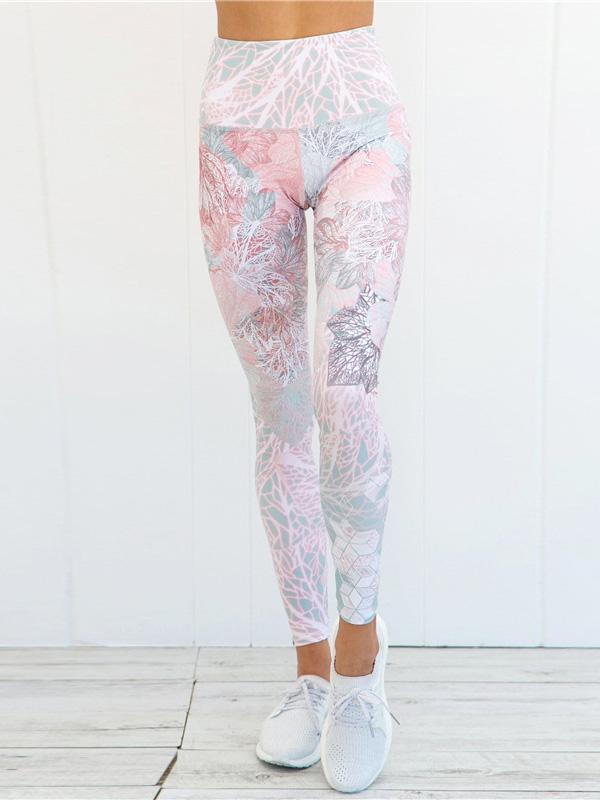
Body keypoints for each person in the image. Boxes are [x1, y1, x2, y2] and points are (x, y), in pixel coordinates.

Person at [198, 0, 410, 791]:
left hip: (356, 111)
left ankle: (360, 655)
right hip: (239, 123)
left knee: (344, 391)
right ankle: (312, 667)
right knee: (280, 409)